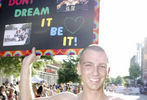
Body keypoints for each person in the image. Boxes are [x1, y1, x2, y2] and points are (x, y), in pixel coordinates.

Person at [20, 45, 123, 100]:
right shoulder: (67, 98)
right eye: (88, 65)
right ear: (79, 69)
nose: (95, 72)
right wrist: (26, 65)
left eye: (101, 66)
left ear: (108, 71)